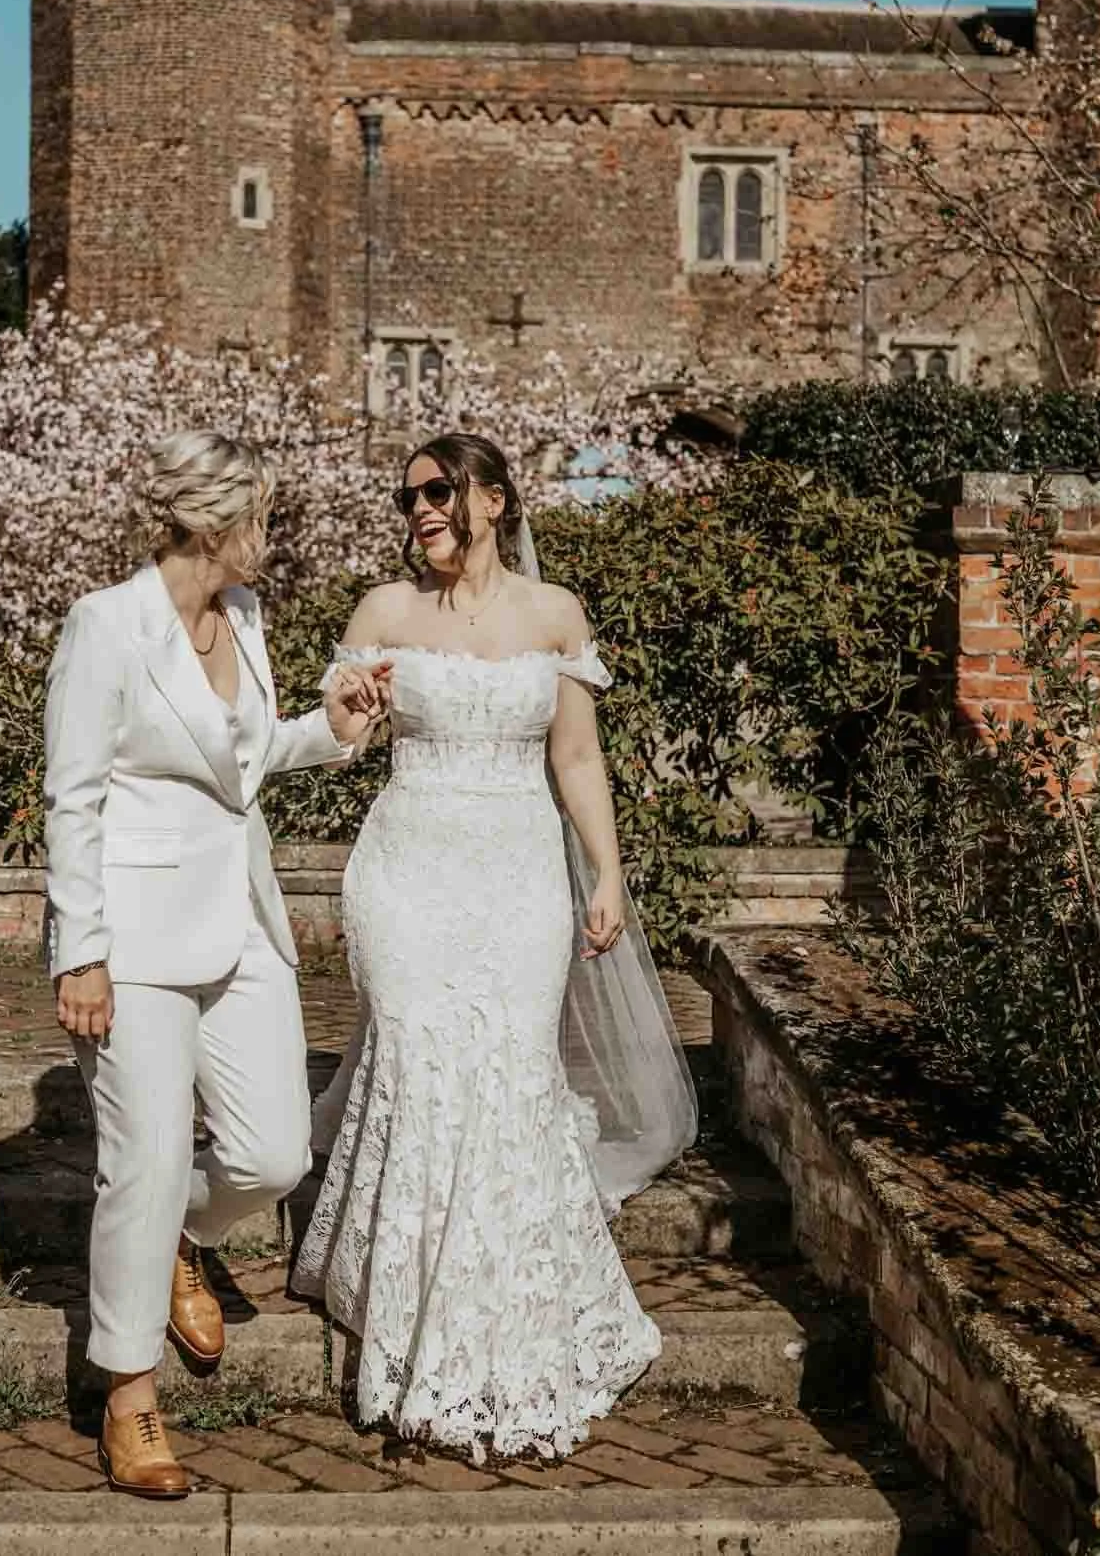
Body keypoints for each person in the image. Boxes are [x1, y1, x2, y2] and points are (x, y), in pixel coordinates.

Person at [292, 431, 698, 1463]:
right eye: (408, 496)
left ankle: (503, 1317)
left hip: (520, 876)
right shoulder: (384, 610)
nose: (419, 508)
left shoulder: (553, 614)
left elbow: (575, 753)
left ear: (493, 498)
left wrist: (606, 871)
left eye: (437, 491)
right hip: (406, 871)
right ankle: (408, 1317)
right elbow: (344, 737)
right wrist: (349, 713)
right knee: (424, 1070)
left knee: (509, 1069)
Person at [42, 430, 390, 1498]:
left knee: (274, 1152)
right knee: (140, 1160)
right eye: (260, 521)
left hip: (240, 921)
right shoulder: (107, 625)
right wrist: (82, 951)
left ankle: (185, 1239)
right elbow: (75, 795)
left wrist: (325, 730)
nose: (267, 541)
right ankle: (130, 1394)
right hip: (134, 942)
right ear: (211, 522)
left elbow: (237, 758)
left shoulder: (243, 620)